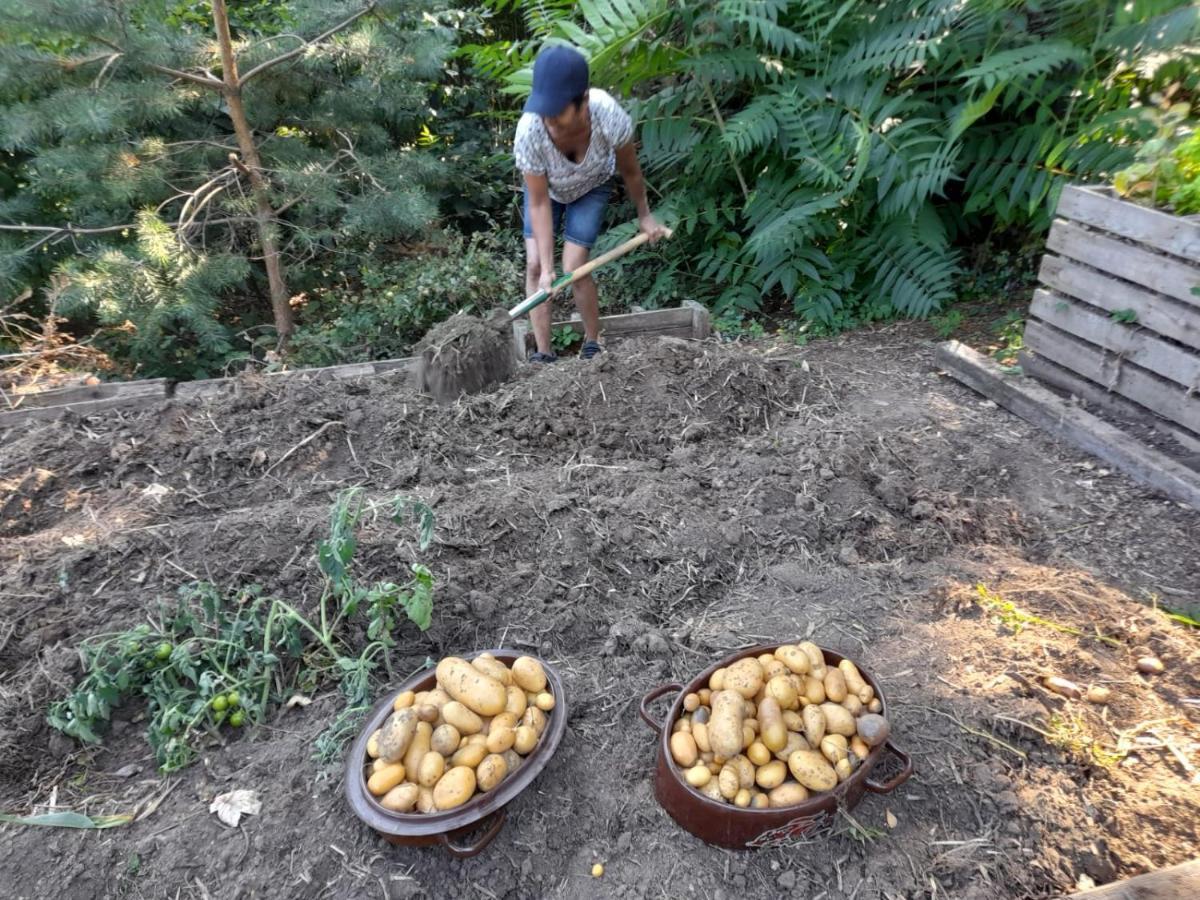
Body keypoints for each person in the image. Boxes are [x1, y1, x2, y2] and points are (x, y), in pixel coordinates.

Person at [513, 45, 667, 362]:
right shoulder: (529, 130)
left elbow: (631, 171)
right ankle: (543, 353)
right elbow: (539, 202)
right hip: (548, 192)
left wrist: (645, 216)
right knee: (536, 266)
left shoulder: (607, 114)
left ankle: (592, 342)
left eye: (558, 112)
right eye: (545, 110)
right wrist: (546, 269)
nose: (549, 120)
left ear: (583, 101)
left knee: (575, 268)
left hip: (592, 186)